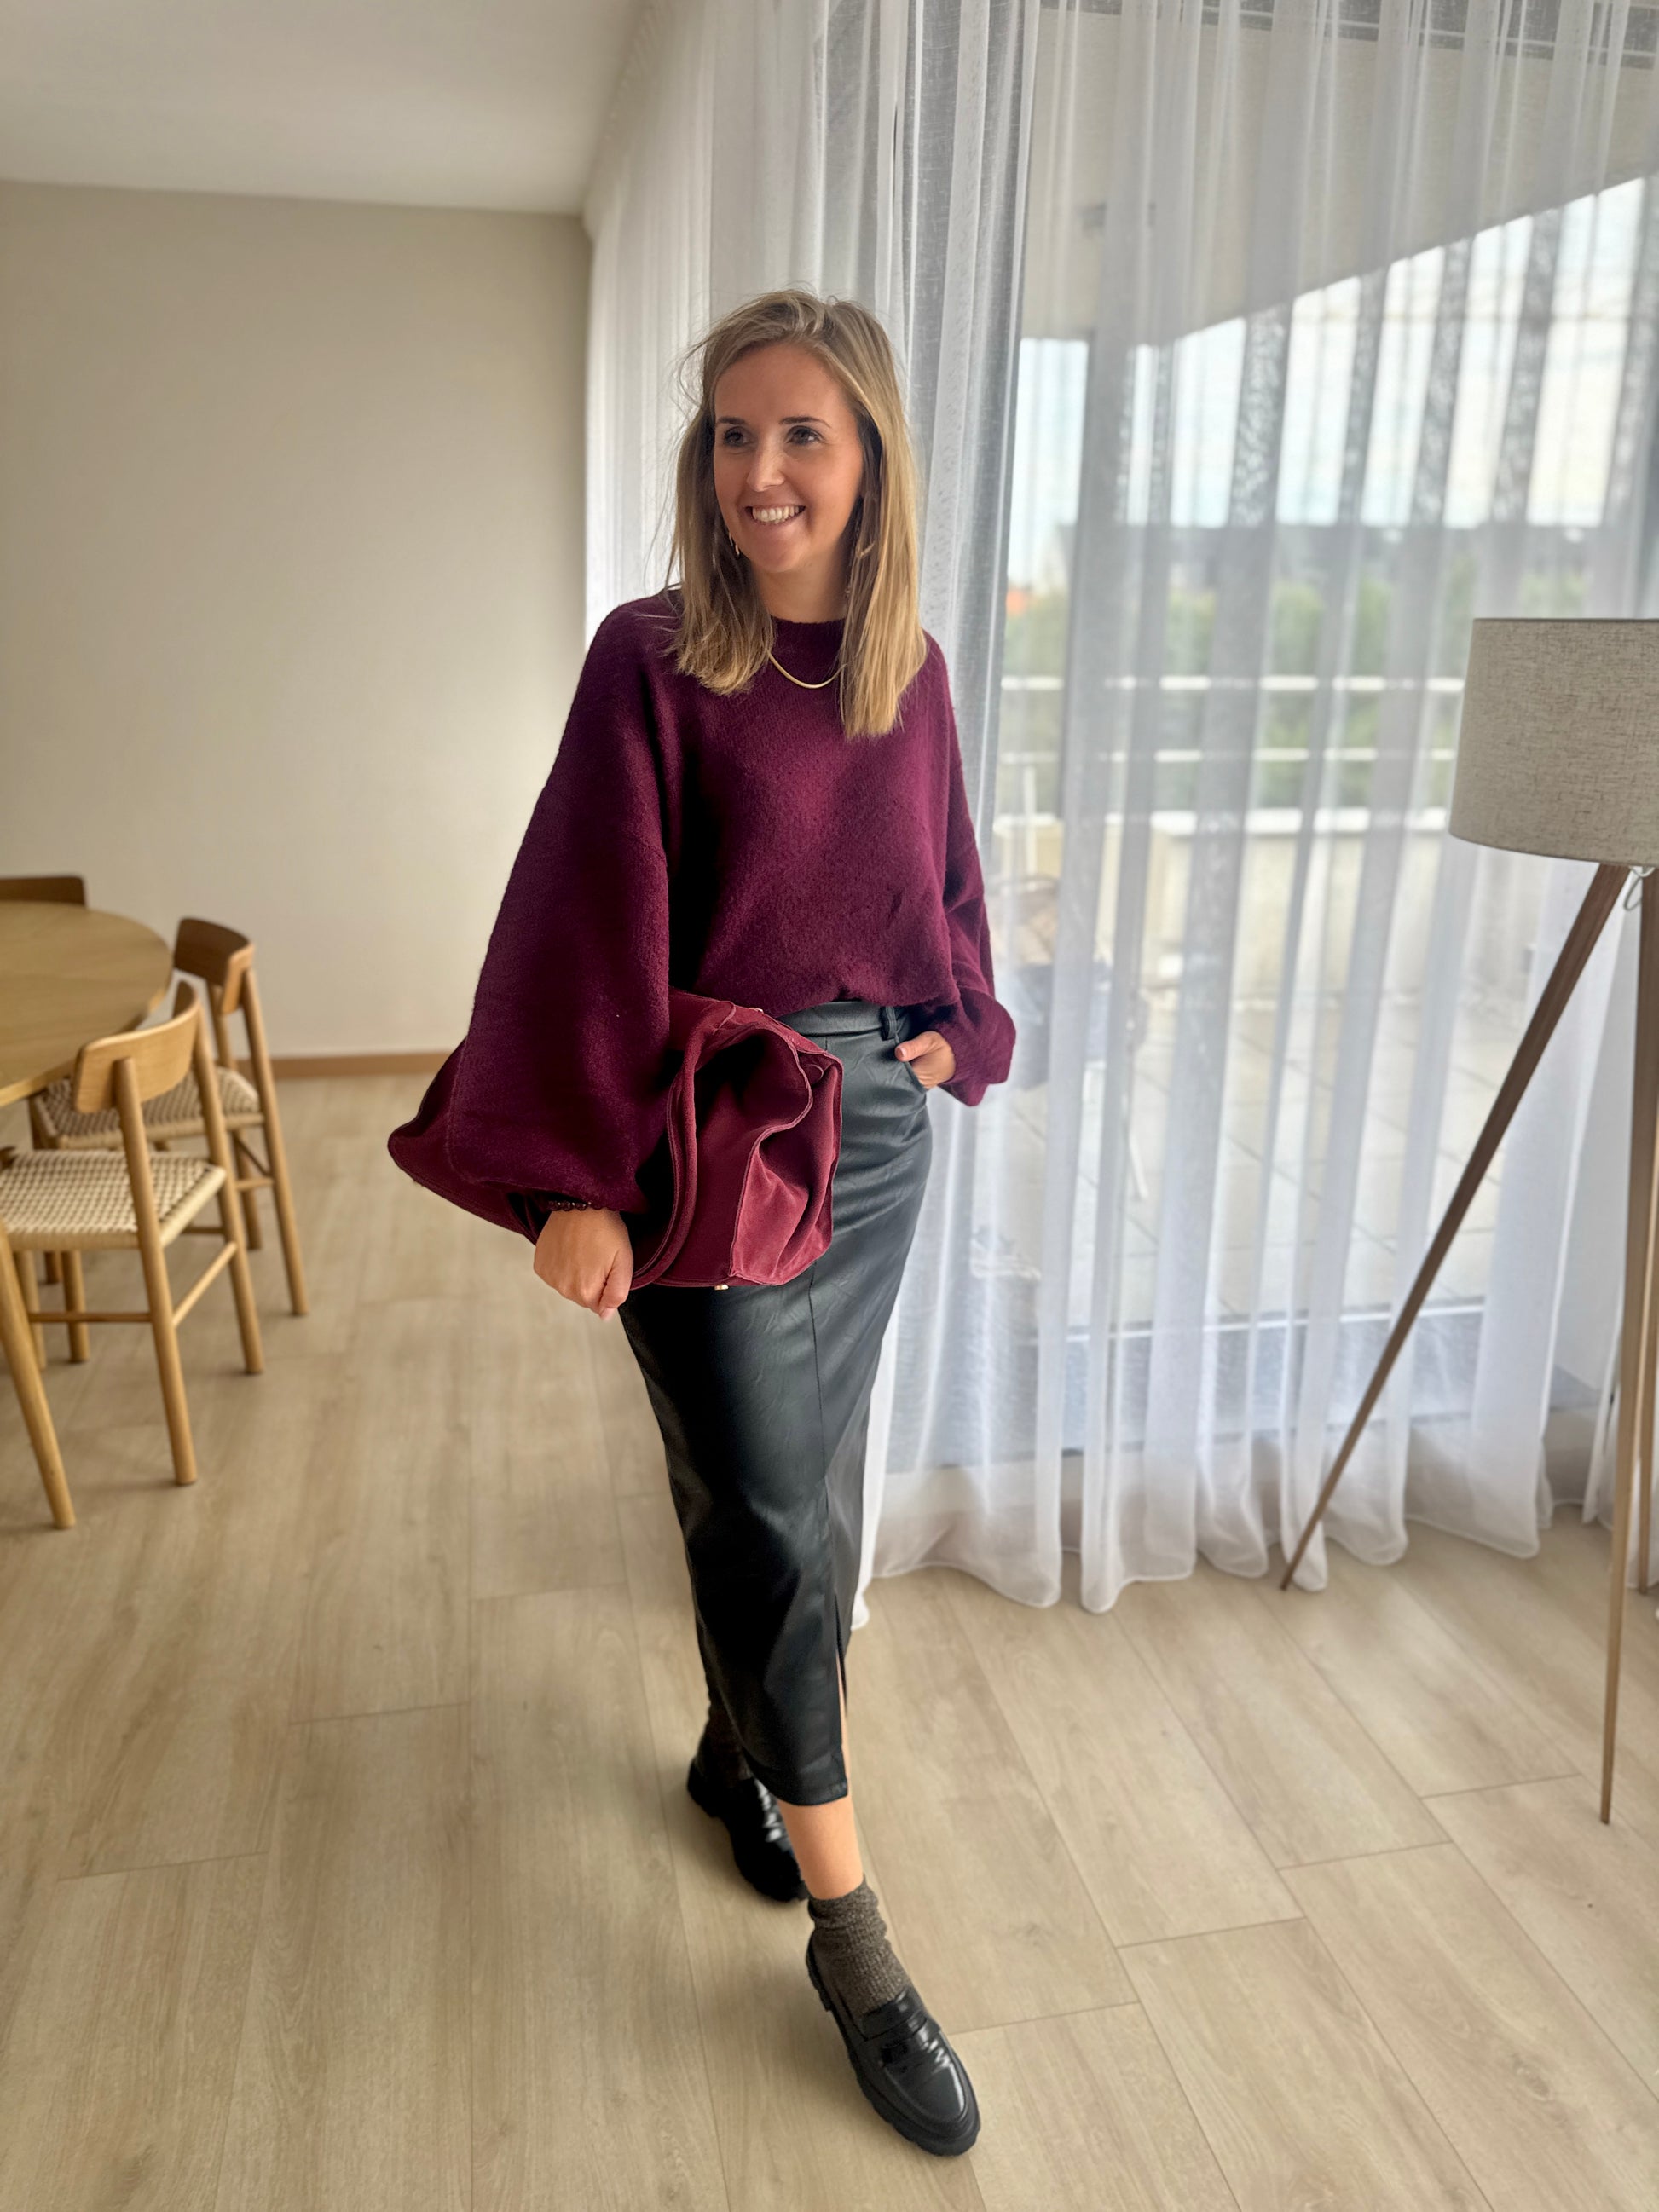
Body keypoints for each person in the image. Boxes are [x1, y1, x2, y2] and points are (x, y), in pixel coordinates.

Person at [443, 286, 1014, 2157]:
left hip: (873, 1131)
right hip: (704, 1132)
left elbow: (941, 883)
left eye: (801, 435)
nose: (759, 471)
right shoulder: (651, 657)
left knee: (802, 1494)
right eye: (731, 434)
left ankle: (730, 1750)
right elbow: (574, 918)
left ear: (870, 463)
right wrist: (575, 1177)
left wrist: (953, 1026)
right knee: (767, 1504)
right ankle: (857, 1944)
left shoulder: (910, 666)